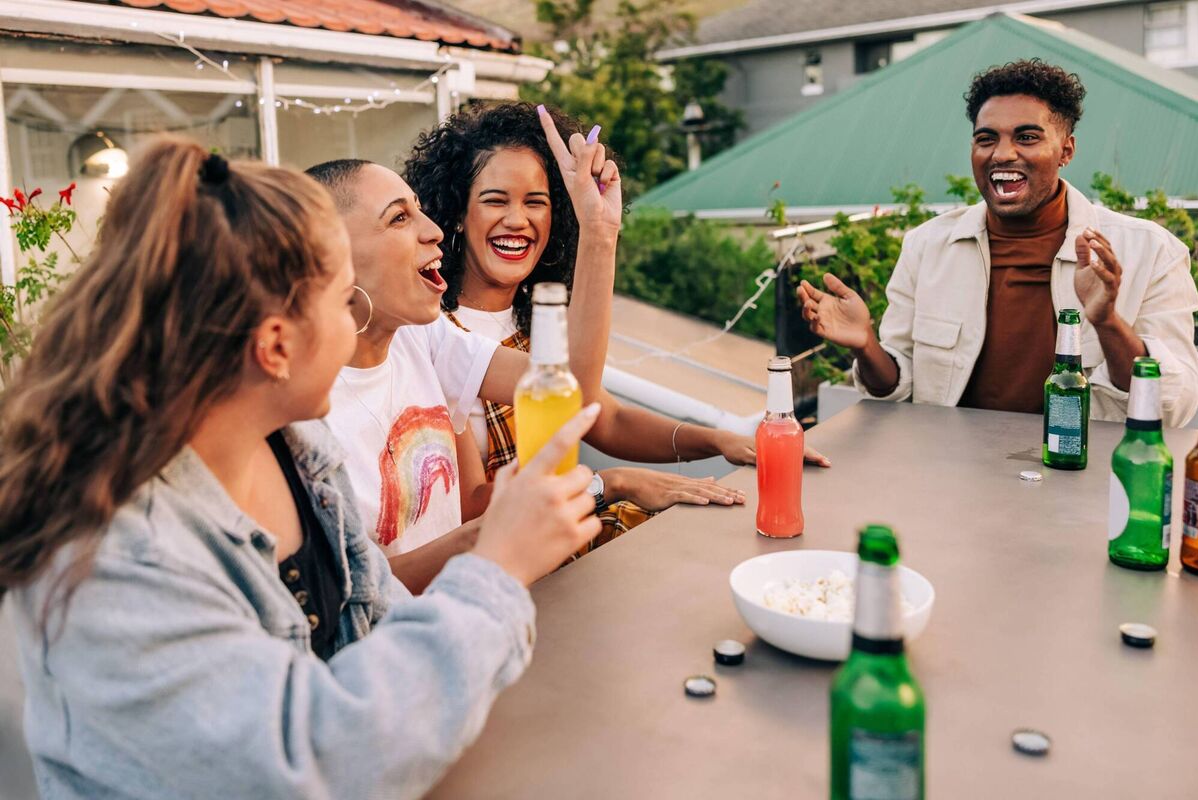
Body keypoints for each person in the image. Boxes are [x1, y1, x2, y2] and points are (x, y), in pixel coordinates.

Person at [0, 137, 606, 799]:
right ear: (275, 346)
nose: (355, 326)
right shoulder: (117, 559)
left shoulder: (299, 452)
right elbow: (312, 763)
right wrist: (497, 568)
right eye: (343, 302)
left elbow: (380, 620)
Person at [404, 102, 814, 543]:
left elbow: (607, 419)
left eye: (536, 202)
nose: (518, 220)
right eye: (495, 200)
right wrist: (609, 483)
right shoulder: (435, 336)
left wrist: (719, 441)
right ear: (457, 213)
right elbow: (469, 506)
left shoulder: (537, 322)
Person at [311, 107, 626, 591]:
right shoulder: (306, 420)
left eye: (419, 209)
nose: (434, 229)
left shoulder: (422, 337)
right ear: (333, 259)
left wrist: (599, 232)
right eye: (399, 218)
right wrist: (496, 532)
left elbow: (574, 389)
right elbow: (357, 595)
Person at [798, 59, 1198, 426]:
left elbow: (1175, 407)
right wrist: (865, 345)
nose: (1003, 154)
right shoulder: (926, 246)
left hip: (1083, 474)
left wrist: (1108, 321)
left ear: (1066, 150)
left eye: (1027, 137)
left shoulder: (1152, 252)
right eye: (986, 138)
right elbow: (895, 390)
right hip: (949, 470)